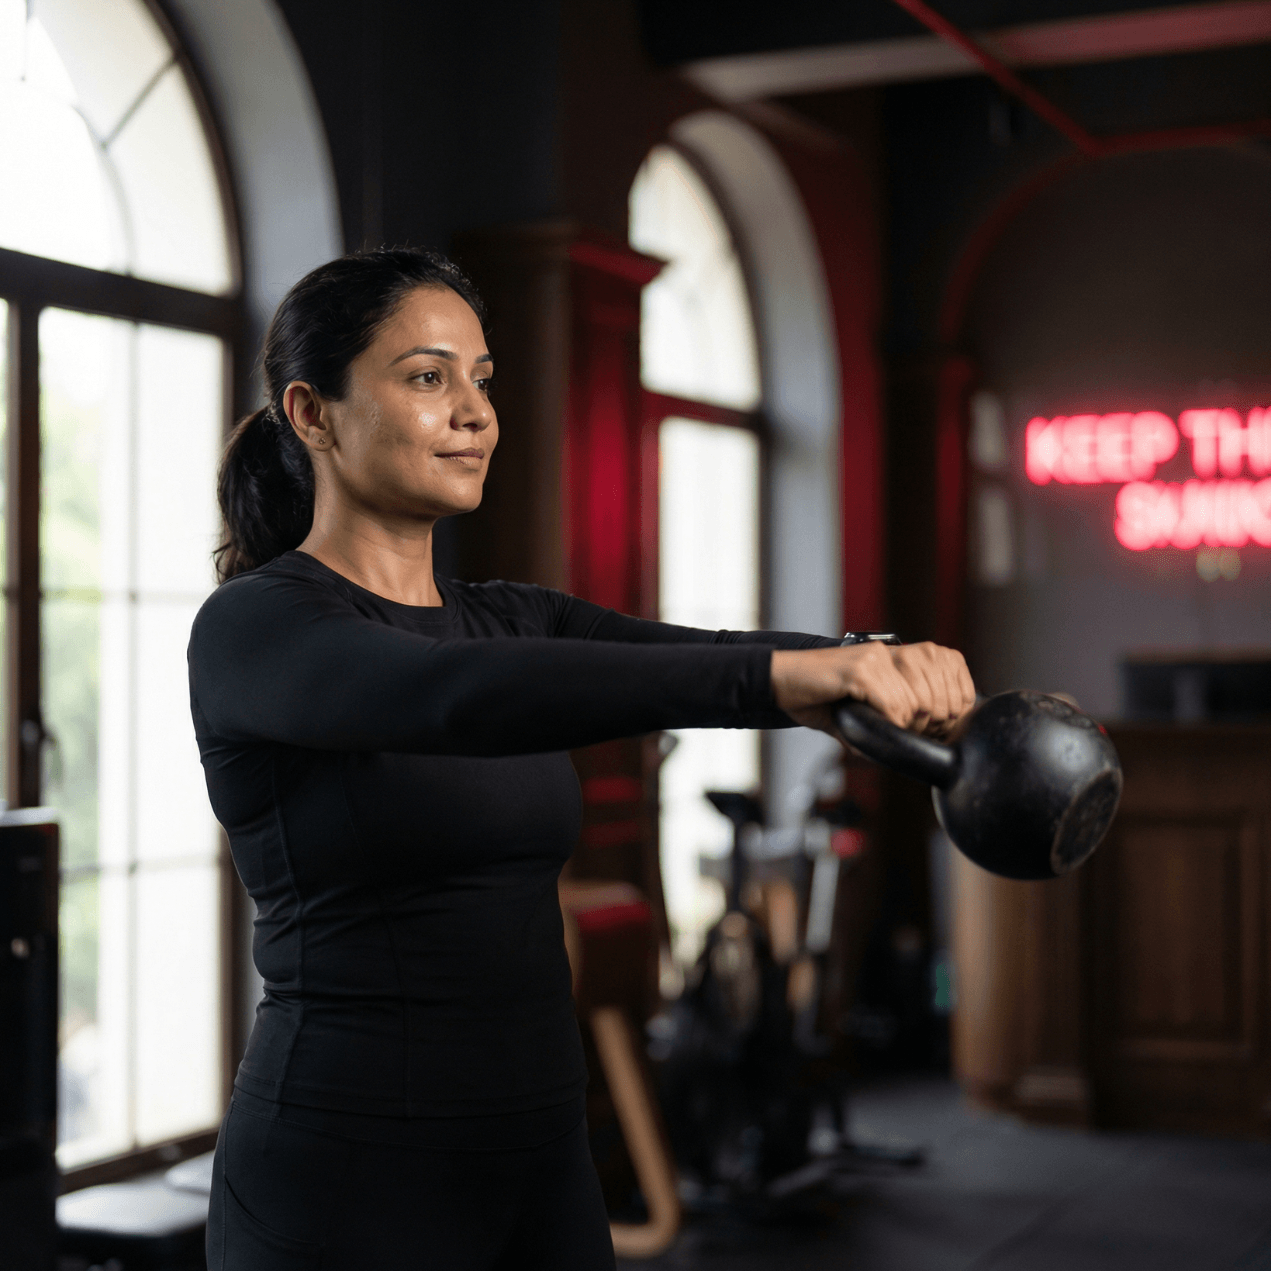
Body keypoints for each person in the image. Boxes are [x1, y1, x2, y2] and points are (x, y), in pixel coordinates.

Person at [193, 247, 975, 1271]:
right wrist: (799, 676)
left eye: (482, 380)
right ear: (312, 413)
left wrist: (865, 665)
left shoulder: (511, 615)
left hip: (539, 1153)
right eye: (427, 378)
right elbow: (453, 695)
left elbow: (690, 656)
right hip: (345, 1172)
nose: (474, 413)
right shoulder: (255, 627)